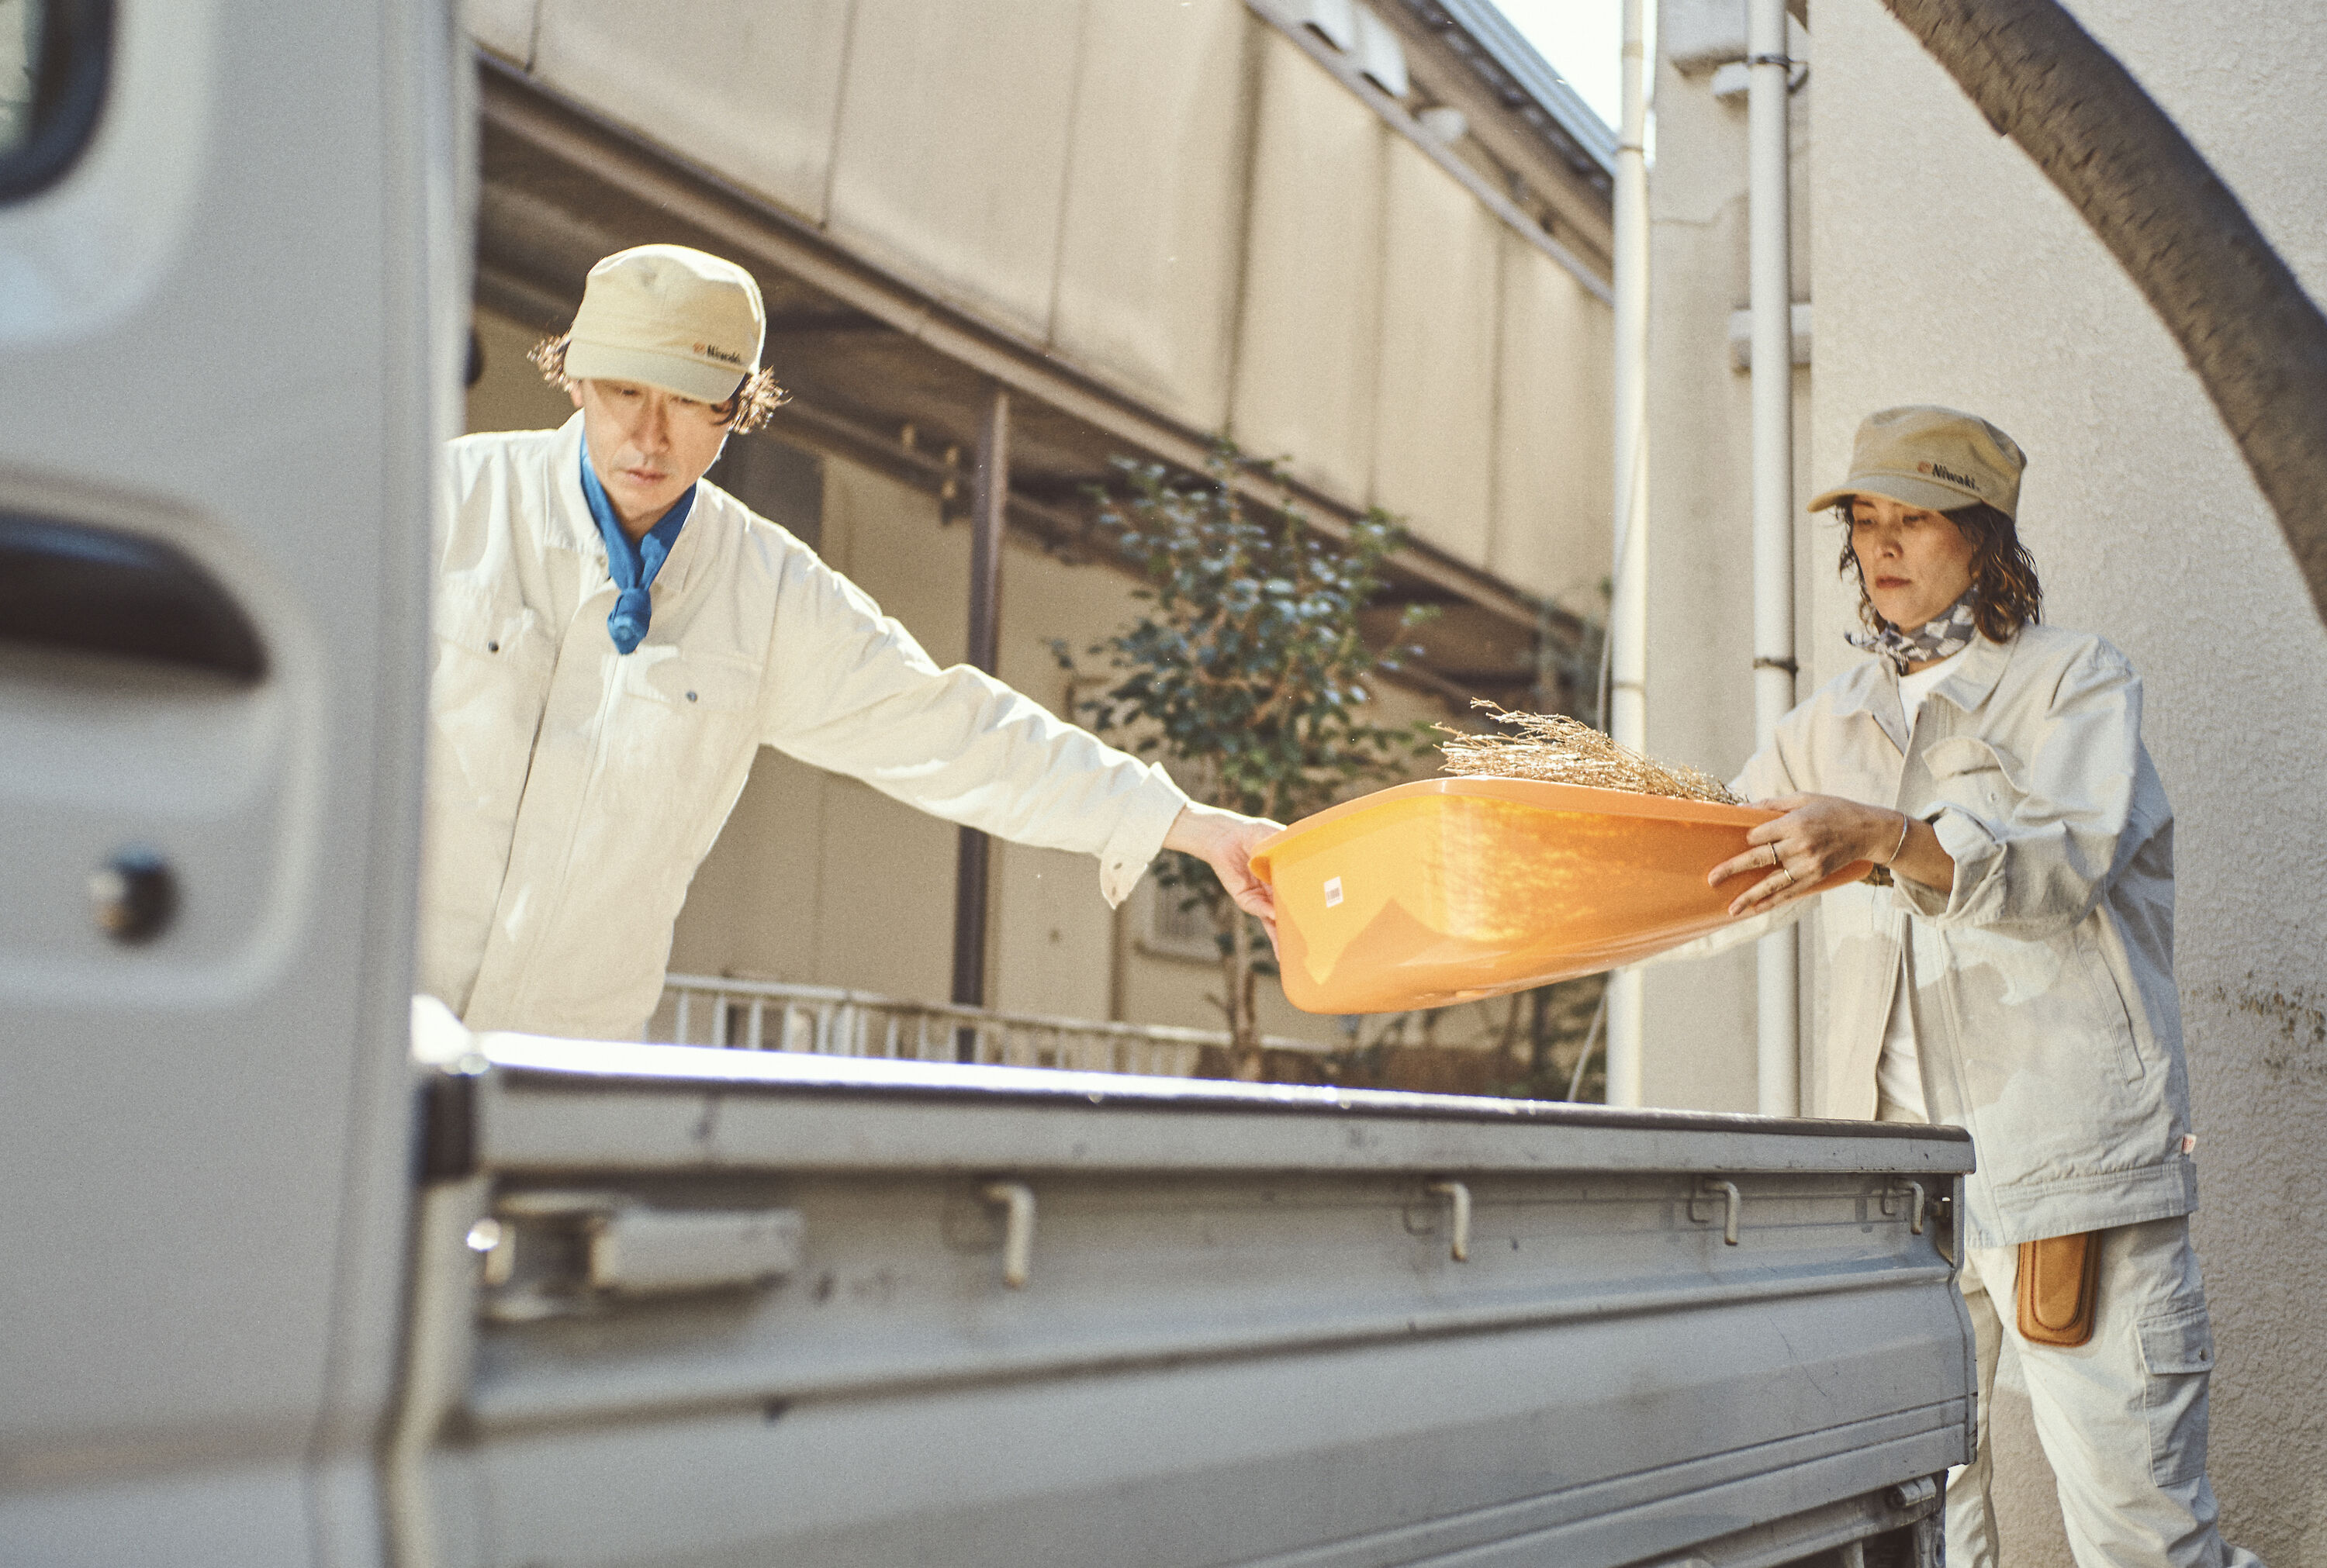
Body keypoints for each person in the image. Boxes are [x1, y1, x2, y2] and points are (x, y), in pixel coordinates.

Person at [421, 243, 1277, 1040]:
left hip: (556, 1075)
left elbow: (953, 730)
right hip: (365, 1035)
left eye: (689, 400)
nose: (651, 437)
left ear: (738, 411)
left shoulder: (768, 593)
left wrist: (1187, 825)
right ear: (573, 378)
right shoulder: (443, 502)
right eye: (626, 392)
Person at [1698, 407, 2258, 1568]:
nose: (1882, 544)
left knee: (2141, 1529)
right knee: (1915, 1530)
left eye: (1916, 518)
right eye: (1865, 519)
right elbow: (1706, 872)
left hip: (2071, 1177)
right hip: (1894, 1187)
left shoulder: (2077, 682)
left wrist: (1894, 832)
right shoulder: (1826, 725)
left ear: (1986, 538)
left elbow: (2060, 863)